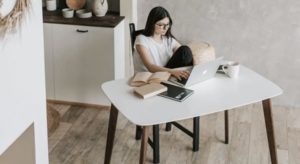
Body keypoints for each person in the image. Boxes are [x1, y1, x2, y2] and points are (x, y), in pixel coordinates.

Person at [133, 6, 193, 80]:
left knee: (185, 50)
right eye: (161, 25)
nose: (165, 28)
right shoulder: (141, 39)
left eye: (167, 24)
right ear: (152, 23)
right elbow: (150, 66)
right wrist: (173, 72)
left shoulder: (168, 39)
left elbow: (184, 54)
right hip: (149, 77)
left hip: (165, 74)